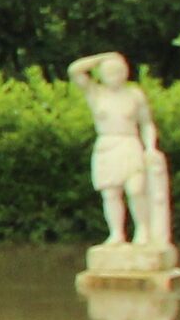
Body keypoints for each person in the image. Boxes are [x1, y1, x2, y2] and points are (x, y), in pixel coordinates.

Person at [67, 51, 173, 253]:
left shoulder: (134, 94)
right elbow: (74, 69)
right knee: (110, 193)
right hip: (107, 145)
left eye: (118, 71)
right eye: (109, 72)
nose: (114, 76)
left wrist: (150, 147)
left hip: (129, 143)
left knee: (135, 189)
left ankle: (142, 229)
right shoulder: (95, 93)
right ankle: (116, 233)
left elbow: (147, 123)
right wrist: (104, 57)